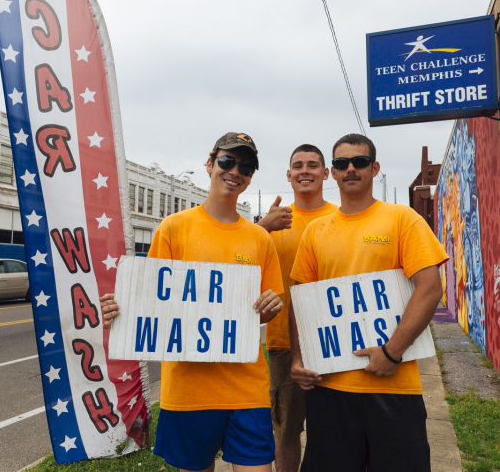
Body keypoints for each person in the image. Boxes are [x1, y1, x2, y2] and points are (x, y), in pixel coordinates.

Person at [101, 132, 285, 472]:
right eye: (228, 161)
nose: (235, 172)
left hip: (247, 389)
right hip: (188, 392)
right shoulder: (173, 229)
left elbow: (264, 315)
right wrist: (120, 309)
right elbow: (151, 301)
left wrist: (270, 308)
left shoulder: (260, 238)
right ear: (210, 163)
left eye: (245, 167)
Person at [288, 133, 448, 472]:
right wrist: (300, 358)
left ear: (374, 168)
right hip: (329, 387)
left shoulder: (402, 219)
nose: (350, 169)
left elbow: (430, 288)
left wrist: (393, 352)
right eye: (341, 163)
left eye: (359, 162)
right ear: (332, 172)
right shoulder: (315, 232)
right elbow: (301, 301)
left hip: (394, 388)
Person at [256, 144, 337, 472]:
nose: (305, 170)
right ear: (288, 175)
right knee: (286, 431)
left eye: (313, 165)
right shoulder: (276, 222)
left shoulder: (340, 217)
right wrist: (262, 227)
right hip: (284, 345)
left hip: (336, 341)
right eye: (298, 166)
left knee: (335, 429)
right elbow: (237, 259)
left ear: (325, 173)